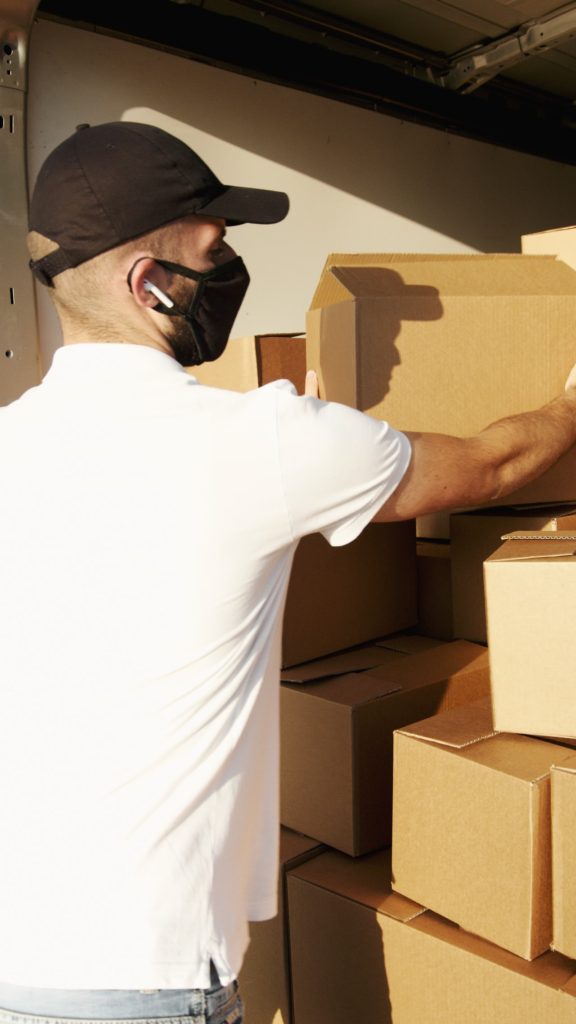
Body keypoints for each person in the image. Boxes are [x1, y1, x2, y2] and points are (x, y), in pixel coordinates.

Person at [1, 120, 576, 1024]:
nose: (230, 273)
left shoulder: (12, 447)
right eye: (215, 252)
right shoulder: (259, 442)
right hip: (145, 986)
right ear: (150, 283)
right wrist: (572, 400)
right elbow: (491, 468)